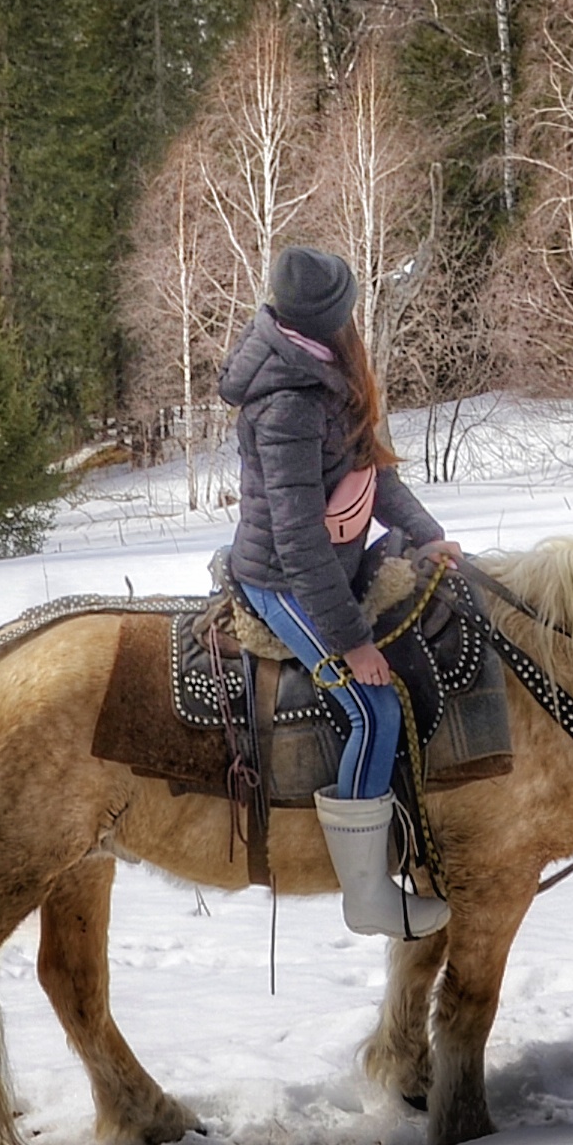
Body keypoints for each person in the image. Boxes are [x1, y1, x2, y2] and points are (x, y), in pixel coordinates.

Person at [217, 244, 462, 938]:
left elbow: (373, 473)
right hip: (282, 578)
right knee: (373, 709)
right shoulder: (287, 401)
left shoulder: (328, 371)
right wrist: (351, 641)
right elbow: (297, 543)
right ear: (329, 317)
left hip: (333, 564)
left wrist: (426, 533)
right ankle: (367, 893)